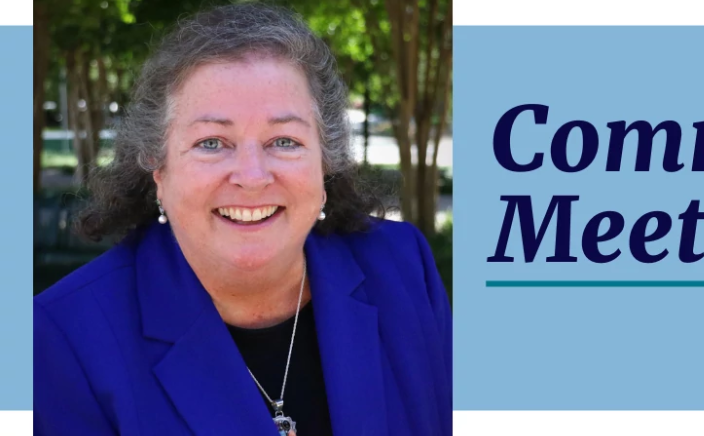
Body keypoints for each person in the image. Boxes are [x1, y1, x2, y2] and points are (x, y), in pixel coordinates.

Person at [33, 4, 451, 435]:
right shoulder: (63, 338)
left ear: (326, 162)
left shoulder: (401, 267)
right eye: (212, 142)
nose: (252, 177)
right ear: (158, 168)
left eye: (284, 140)